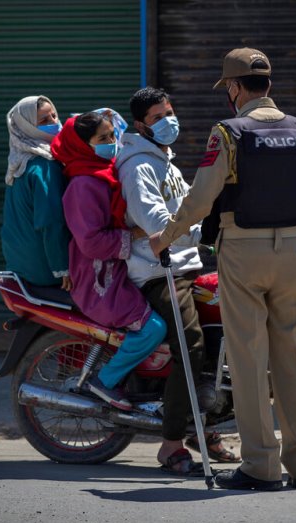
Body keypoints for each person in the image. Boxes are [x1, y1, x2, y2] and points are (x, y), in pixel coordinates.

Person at [149, 48, 296, 491]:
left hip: (244, 254)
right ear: (267, 84)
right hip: (293, 252)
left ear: (234, 88)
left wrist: (167, 236)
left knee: (250, 361)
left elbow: (199, 199)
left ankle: (261, 467)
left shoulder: (227, 132)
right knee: (292, 359)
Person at [116, 86, 239, 476]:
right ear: (141, 124)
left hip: (186, 265)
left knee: (223, 333)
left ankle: (206, 424)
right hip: (158, 271)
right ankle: (170, 445)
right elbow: (156, 225)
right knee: (192, 345)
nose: (169, 121)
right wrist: (200, 234)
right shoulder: (138, 166)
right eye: (158, 117)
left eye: (169, 112)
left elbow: (191, 207)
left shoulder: (165, 161)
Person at [50, 110, 167, 412]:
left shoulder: (106, 172)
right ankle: (105, 380)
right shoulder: (83, 186)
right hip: (98, 279)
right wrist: (136, 235)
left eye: (112, 135)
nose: (111, 142)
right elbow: (91, 241)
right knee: (153, 329)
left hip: (116, 271)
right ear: (83, 145)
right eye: (103, 139)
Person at [1, 95, 71, 290]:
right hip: (45, 268)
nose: (55, 123)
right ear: (27, 127)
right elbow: (51, 222)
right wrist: (62, 268)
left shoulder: (18, 162)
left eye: (54, 116)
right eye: (44, 121)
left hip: (18, 263)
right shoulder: (45, 165)